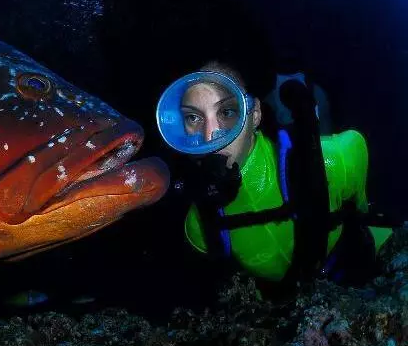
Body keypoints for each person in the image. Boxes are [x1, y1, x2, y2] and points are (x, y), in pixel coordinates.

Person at [156, 60, 396, 290]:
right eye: (193, 118)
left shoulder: (333, 160)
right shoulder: (198, 227)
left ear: (255, 114)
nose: (210, 137)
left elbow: (354, 146)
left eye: (227, 112)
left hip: (374, 268)